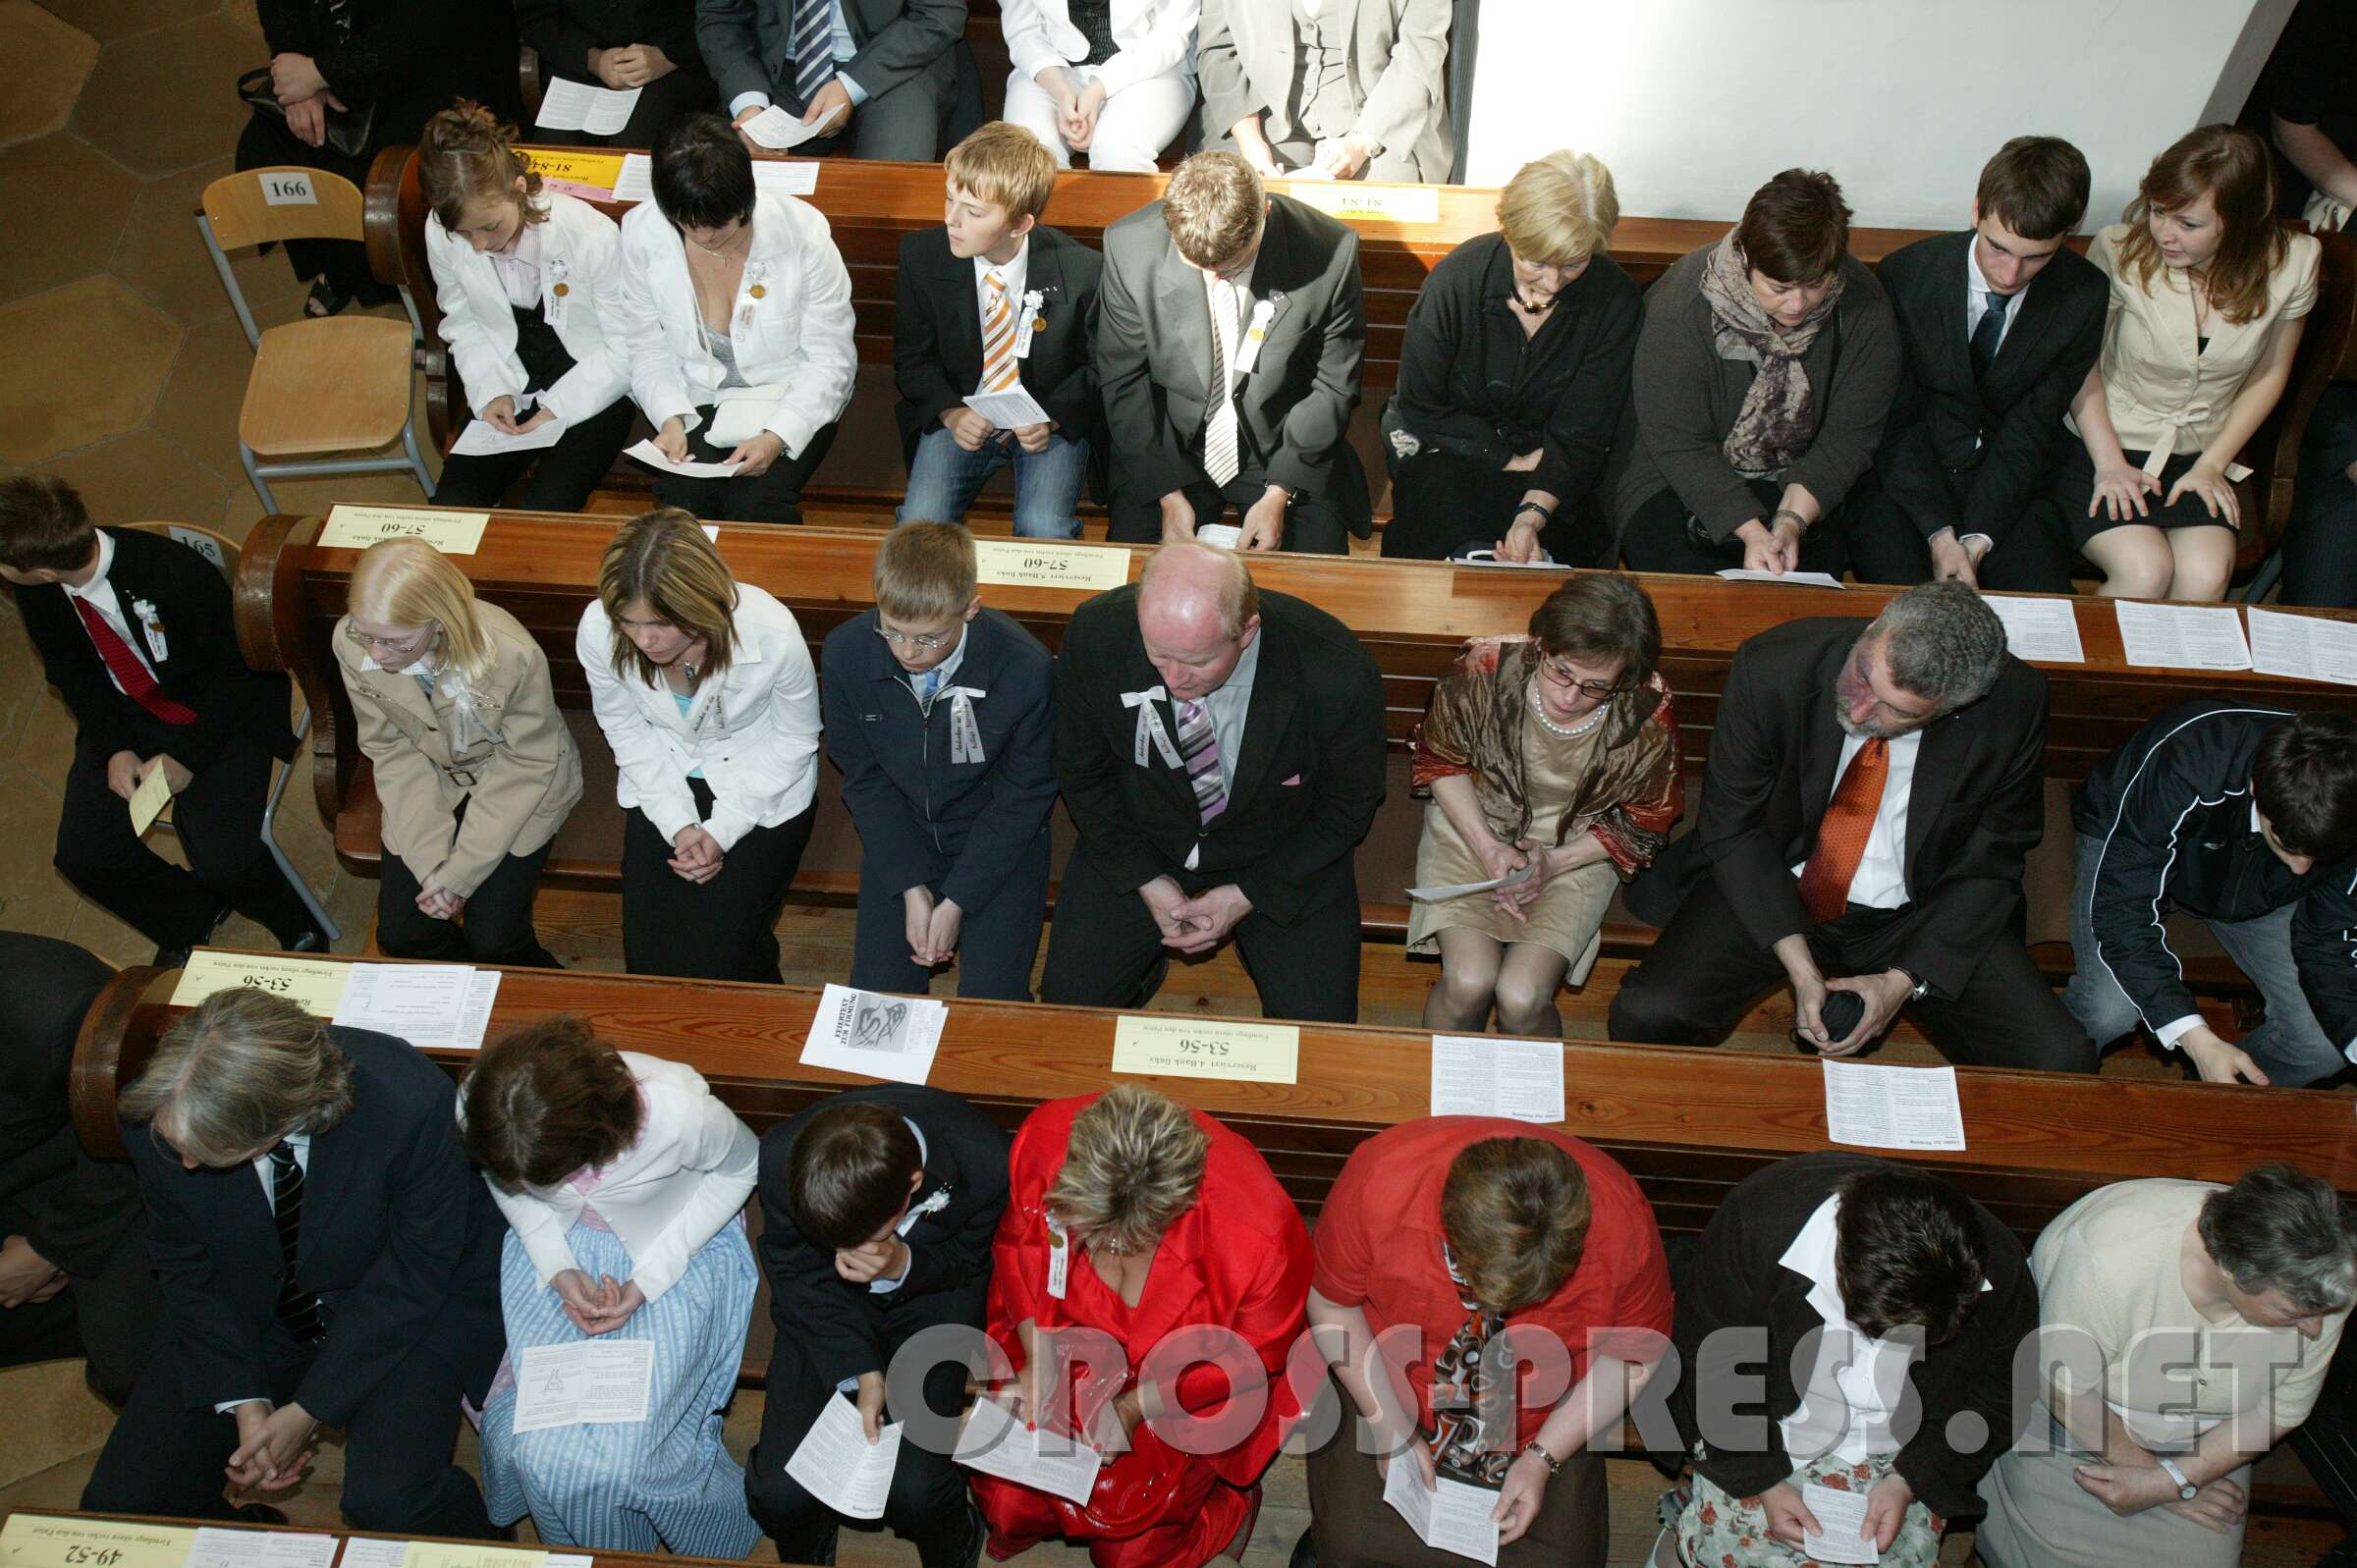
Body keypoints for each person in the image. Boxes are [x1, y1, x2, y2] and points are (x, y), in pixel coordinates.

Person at [1608, 582, 2096, 1072]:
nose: (1859, 712)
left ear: (1952, 708)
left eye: (1897, 711)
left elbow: (1994, 855)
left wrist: (1899, 983)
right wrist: (1802, 971)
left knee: (2060, 1060)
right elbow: (1731, 826)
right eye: (1863, 673)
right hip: (1779, 877)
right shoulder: (1774, 665)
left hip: (1922, 907)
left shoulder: (2015, 703)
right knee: (1648, 1014)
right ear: (1878, 624)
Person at [80, 987, 505, 1534]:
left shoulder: (409, 1103)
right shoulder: (158, 1117)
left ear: (278, 1122)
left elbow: (417, 1272)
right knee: (122, 1504)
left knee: (389, 1503)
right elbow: (185, 1262)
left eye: (207, 1151)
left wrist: (308, 1411)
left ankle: (480, 1540)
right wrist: (243, 1399)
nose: (184, 1163)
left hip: (398, 1308)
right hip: (256, 1303)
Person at [1040, 541, 1387, 1022]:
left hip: (1279, 853)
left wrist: (1249, 895)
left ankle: (1256, 944)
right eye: (1158, 656)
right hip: (1144, 839)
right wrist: (1144, 879)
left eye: (1197, 662)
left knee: (1319, 1033)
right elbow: (1082, 771)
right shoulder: (1098, 632)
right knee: (1065, 1012)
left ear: (1247, 632)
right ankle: (1143, 972)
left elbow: (1348, 806)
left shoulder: (1335, 670)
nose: (1173, 681)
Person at [1305, 1118, 1673, 1568]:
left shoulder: (1621, 1219)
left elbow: (1637, 1352)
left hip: (1548, 1414)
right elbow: (1332, 1304)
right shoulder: (1381, 1181)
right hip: (1392, 1384)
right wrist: (1389, 1423)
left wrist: (1543, 1457)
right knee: (1350, 1545)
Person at [459, 1015, 762, 1555]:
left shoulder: (680, 1115)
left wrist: (647, 1281)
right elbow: (508, 1188)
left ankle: (706, 1532)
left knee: (630, 1456)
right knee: (539, 1448)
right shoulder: (479, 1103)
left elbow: (741, 1170)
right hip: (555, 1246)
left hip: (677, 1246)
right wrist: (557, 1266)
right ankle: (602, 1555)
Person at [976, 1084, 1311, 1567]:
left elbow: (1250, 1358)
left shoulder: (1261, 1237)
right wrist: (1038, 1355)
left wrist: (1135, 1407)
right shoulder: (1043, 1139)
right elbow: (1016, 1245)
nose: (1104, 1252)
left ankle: (1223, 1511)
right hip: (1061, 1334)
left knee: (1129, 1558)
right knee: (1006, 1500)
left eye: (1121, 1241)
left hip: (1183, 1380)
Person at [0, 476, 326, 966]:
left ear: (42, 570)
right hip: (128, 712)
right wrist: (113, 747)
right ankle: (191, 914)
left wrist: (187, 757)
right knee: (85, 854)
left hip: (218, 711)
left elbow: (240, 677)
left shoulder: (176, 573)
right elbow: (72, 671)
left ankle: (294, 922)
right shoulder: (38, 590)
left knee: (223, 855)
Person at [1661, 1153, 2036, 1568]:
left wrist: (1911, 1479)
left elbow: (2003, 1395)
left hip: (1910, 1448)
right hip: (1761, 1425)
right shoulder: (1759, 1222)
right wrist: (1764, 1481)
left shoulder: (2000, 1272)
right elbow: (1711, 1364)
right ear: (1842, 1268)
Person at [1976, 1165, 2357, 1568]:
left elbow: (2281, 1409)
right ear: (2231, 1272)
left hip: (2207, 1442)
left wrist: (2174, 1480)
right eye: (2292, 1314)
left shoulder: (2326, 1282)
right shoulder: (2110, 1262)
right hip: (2072, 1423)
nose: (2315, 1330)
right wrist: (2152, 1472)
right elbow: (2065, 1392)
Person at [744, 1084, 1010, 1566]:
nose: (850, 1252)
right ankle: (812, 1540)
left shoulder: (981, 1158)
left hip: (932, 1297)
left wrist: (901, 1263)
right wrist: (861, 1371)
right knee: (779, 1491)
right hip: (824, 1306)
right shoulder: (784, 1157)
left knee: (916, 1490)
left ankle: (955, 1540)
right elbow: (795, 1272)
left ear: (914, 1183)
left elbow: (972, 1264)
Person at [1407, 575, 1681, 1037]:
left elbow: (1646, 819)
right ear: (1541, 646)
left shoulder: (1645, 709)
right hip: (1472, 824)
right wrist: (1488, 846)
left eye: (1596, 686)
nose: (1570, 697)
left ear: (1624, 678)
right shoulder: (1487, 667)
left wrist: (1553, 863)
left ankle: (1528, 1087)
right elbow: (1442, 761)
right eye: (1562, 672)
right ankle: (1443, 1085)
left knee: (1522, 995)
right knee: (1469, 981)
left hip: (1579, 847)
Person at [2056, 125, 2319, 601]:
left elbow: (2270, 373)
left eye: (2188, 225)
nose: (2164, 233)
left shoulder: (2294, 262)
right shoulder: (2119, 249)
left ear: (2240, 221)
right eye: (2158, 211)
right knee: (2145, 573)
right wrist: (2109, 463)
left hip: (2201, 449)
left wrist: (2213, 464)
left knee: (2205, 577)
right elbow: (2079, 364)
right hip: (2103, 441)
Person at [1845, 136, 2106, 593]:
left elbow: (2033, 427)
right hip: (1905, 481)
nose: (2010, 275)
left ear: (2069, 234)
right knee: (1905, 611)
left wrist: (1978, 538)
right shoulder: (1906, 276)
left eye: (2036, 257)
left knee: (2043, 609)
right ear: (1976, 210)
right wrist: (1940, 534)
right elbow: (1894, 421)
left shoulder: (2082, 294)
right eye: (1998, 248)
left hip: (2009, 487)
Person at [1612, 168, 1900, 579]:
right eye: (1779, 288)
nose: (1797, 304)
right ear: (1747, 259)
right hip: (1675, 475)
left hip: (1803, 482)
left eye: (1816, 284)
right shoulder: (1682, 305)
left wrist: (1790, 522)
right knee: (1693, 583)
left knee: (1803, 586)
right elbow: (1677, 441)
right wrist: (1749, 531)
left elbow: (1848, 439)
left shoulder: (1864, 307)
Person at [576, 509, 822, 981]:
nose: (645, 640)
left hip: (760, 783)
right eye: (628, 622)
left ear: (702, 602)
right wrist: (678, 823)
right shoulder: (598, 629)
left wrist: (723, 830)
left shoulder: (772, 633)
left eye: (661, 623)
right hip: (662, 776)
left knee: (723, 955)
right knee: (649, 958)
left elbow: (796, 738)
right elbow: (623, 727)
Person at [2062, 698, 2357, 1088]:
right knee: (2108, 1011)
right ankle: (2044, 1069)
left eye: (2317, 856)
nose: (2301, 868)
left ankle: (2217, 1092)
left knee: (2320, 1044)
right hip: (2129, 840)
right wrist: (2193, 1034)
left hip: (2256, 887)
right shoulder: (2188, 761)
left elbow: (2332, 928)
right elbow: (2122, 911)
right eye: (2287, 845)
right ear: (2256, 788)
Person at [822, 522, 1058, 1000]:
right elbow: (864, 779)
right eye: (892, 631)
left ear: (970, 609)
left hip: (997, 838)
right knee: (879, 999)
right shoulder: (847, 652)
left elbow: (1025, 794)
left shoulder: (1025, 667)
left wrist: (957, 902)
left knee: (992, 1000)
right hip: (902, 831)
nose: (908, 652)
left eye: (930, 638)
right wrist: (911, 886)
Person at [1097, 150, 1370, 554]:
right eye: (1198, 266)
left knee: (1312, 572)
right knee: (1137, 567)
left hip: (1281, 445)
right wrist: (1167, 493)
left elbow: (1333, 385)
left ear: (1265, 214)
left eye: (1231, 266)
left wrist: (1280, 493)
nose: (1214, 280)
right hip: (1172, 446)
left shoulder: (1329, 251)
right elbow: (1124, 380)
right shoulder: (1130, 247)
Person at [1383, 149, 1640, 564]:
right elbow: (1421, 404)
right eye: (1535, 262)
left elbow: (1584, 433)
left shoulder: (1615, 300)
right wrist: (1507, 458)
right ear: (1509, 234)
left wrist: (1532, 513)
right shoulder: (1457, 281)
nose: (1553, 282)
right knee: (1443, 545)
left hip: (1559, 466)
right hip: (1450, 448)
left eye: (1574, 263)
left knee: (1561, 561)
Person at [335, 538, 581, 968]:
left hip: (517, 779)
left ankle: (535, 987)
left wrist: (460, 872)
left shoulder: (509, 651)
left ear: (437, 622)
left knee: (494, 939)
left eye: (395, 642)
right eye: (366, 635)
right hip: (431, 776)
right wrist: (430, 862)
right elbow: (390, 748)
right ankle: (465, 984)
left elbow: (527, 760)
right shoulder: (351, 642)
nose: (375, 653)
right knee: (403, 933)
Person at [619, 113, 857, 522]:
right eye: (687, 224)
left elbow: (831, 359)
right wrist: (669, 418)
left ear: (745, 199)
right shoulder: (642, 232)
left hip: (787, 390)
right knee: (682, 502)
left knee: (756, 506)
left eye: (719, 224)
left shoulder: (802, 234)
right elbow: (646, 344)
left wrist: (777, 437)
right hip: (697, 392)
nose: (705, 237)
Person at [418, 103, 638, 514]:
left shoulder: (589, 233)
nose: (480, 245)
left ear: (518, 189)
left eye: (490, 227)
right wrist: (490, 392)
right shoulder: (440, 231)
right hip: (510, 379)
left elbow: (625, 346)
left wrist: (558, 408)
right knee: (453, 507)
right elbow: (463, 323)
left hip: (593, 385)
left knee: (546, 510)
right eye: (464, 233)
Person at [894, 121, 1105, 538]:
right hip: (963, 408)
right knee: (919, 525)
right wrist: (950, 412)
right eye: (949, 199)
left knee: (1044, 528)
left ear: (1020, 224)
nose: (951, 219)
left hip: (1046, 417)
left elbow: (1099, 368)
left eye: (973, 212)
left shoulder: (1081, 270)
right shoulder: (922, 256)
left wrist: (1053, 419)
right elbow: (912, 358)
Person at [240, 0, 517, 316]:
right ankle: (345, 269)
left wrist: (321, 73)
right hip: (332, 55)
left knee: (388, 167)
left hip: (437, 65)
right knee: (269, 141)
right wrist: (295, 75)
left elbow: (424, 26)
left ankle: (431, 281)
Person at [0, 932, 158, 1407]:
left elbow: (149, 1117)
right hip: (25, 1177)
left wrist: (49, 1248)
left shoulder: (45, 1003)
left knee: (137, 1376)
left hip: (112, 1175)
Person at [1195, 0, 1451, 183]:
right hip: (1261, 119)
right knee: (1233, 208)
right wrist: (1251, 143)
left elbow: (1418, 56)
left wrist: (1361, 143)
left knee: (1388, 212)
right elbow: (1219, 48)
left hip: (1380, 122)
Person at [698, 0, 966, 161]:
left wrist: (850, 86)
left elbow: (940, 14)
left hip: (895, 66)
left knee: (891, 186)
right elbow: (721, 17)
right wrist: (749, 105)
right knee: (727, 176)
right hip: (778, 71)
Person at [1001, 0, 1198, 173]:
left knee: (1117, 150)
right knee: (1026, 153)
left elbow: (1170, 35)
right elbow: (1023, 30)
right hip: (1050, 68)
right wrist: (1061, 92)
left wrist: (1099, 89)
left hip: (1151, 69)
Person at [518, 0, 718, 147]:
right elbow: (535, 17)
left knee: (635, 148)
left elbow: (721, 16)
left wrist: (668, 56)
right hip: (579, 66)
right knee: (555, 156)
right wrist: (593, 59)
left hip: (671, 64)